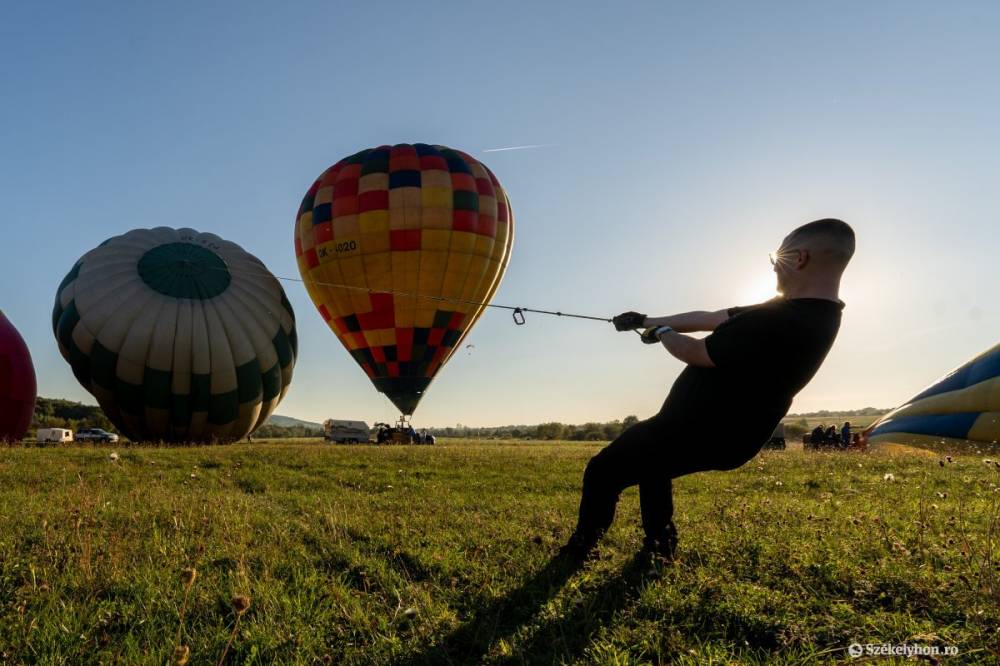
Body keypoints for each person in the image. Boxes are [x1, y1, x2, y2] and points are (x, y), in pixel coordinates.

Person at [560, 218, 855, 563]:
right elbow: (713, 316)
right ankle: (660, 547)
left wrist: (663, 333)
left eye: (778, 258)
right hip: (730, 435)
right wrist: (646, 320)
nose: (775, 267)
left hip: (702, 429)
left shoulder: (781, 321)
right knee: (654, 466)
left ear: (800, 258)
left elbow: (695, 352)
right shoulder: (815, 315)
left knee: (603, 469)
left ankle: (582, 548)